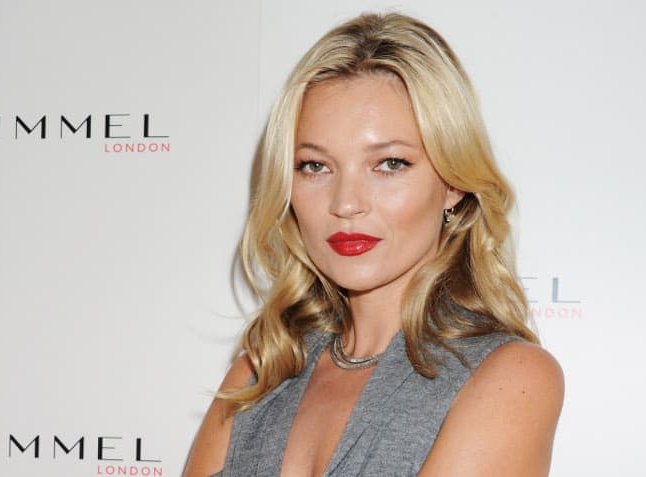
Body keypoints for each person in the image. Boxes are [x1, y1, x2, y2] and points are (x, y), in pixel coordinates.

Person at [184, 11, 564, 477]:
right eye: (315, 166)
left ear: (452, 183)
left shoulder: (509, 376)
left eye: (390, 164)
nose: (346, 203)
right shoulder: (258, 374)